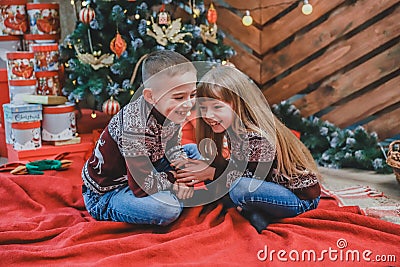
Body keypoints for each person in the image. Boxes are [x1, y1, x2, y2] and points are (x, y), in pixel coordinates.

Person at [175, 66, 321, 233]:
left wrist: (210, 173)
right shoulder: (231, 129)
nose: (208, 115)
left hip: (298, 198)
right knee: (192, 150)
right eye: (204, 108)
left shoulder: (257, 137)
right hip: (261, 186)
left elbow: (248, 179)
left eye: (217, 107)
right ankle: (256, 213)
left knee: (239, 188)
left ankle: (257, 212)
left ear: (239, 104)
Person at [81, 50, 200, 226]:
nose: (188, 103)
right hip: (109, 192)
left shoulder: (171, 111)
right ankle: (164, 198)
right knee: (168, 209)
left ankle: (219, 190)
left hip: (150, 165)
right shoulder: (134, 126)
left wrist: (184, 178)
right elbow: (141, 186)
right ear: (150, 97)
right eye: (179, 97)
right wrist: (175, 179)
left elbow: (174, 147)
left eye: (193, 94)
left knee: (194, 152)